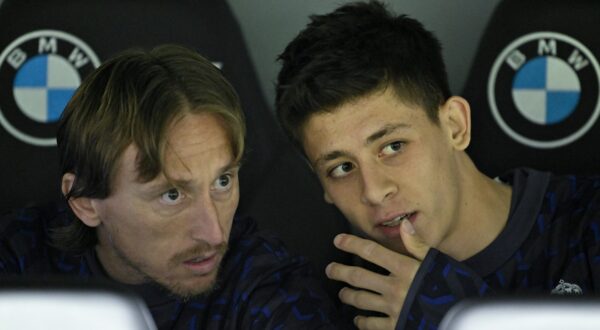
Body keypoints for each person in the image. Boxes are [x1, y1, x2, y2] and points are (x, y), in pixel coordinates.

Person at [275, 1, 600, 329]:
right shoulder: (342, 298)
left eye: (393, 146)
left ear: (455, 126)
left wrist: (457, 317)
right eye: (342, 168)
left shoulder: (586, 224)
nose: (373, 191)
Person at [0, 44, 342, 329]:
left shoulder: (263, 284)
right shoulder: (18, 258)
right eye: (172, 195)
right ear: (86, 202)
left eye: (222, 181)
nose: (213, 233)